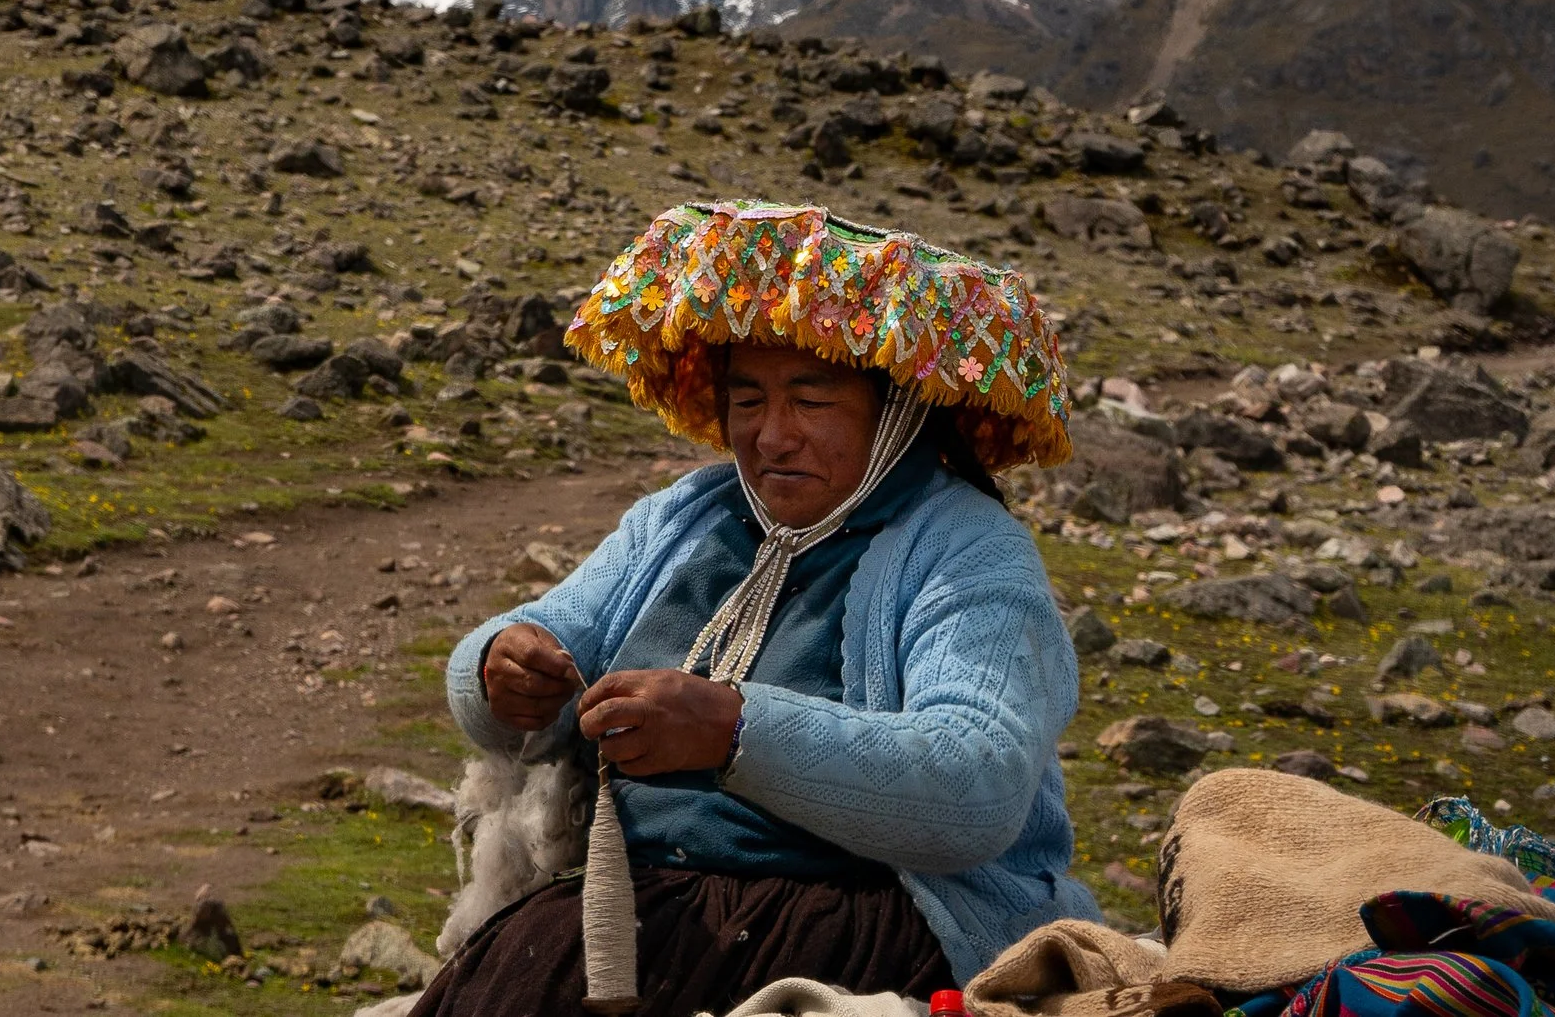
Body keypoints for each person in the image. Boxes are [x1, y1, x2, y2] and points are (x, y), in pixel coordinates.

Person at [413, 201, 1101, 1017]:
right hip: (629, 905)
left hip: (862, 922)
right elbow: (551, 631)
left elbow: (976, 785)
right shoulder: (686, 519)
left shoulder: (967, 551)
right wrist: (500, 668)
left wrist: (734, 730)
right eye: (748, 402)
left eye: (810, 402)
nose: (772, 437)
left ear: (899, 412)